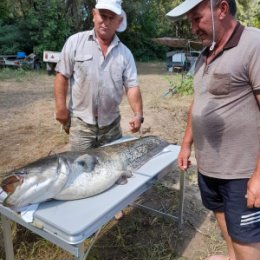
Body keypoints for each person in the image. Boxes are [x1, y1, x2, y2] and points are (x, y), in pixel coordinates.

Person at [166, 0, 260, 260]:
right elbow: (199, 101)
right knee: (222, 217)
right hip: (210, 167)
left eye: (197, 19)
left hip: (242, 172)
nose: (193, 27)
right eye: (190, 22)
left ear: (221, 9)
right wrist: (186, 144)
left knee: (246, 239)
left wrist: (259, 176)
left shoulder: (254, 44)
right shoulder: (205, 53)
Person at [54, 0, 143, 152]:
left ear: (119, 21)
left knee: (111, 169)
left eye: (111, 18)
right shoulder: (75, 42)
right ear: (94, 15)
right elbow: (62, 76)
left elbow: (132, 86)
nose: (106, 22)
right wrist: (61, 108)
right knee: (80, 168)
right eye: (103, 15)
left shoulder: (125, 54)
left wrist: (138, 114)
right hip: (81, 124)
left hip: (111, 126)